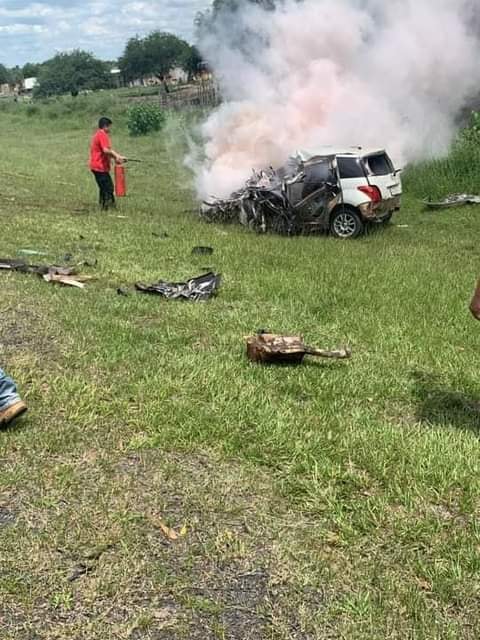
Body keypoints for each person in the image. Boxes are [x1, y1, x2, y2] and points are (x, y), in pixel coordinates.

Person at [89, 117, 126, 210]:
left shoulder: (98, 134)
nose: (110, 129)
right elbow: (106, 150)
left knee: (103, 187)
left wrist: (116, 157)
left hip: (96, 166)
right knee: (108, 187)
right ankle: (110, 207)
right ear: (105, 126)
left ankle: (103, 206)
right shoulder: (102, 134)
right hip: (99, 166)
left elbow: (106, 151)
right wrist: (117, 156)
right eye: (110, 127)